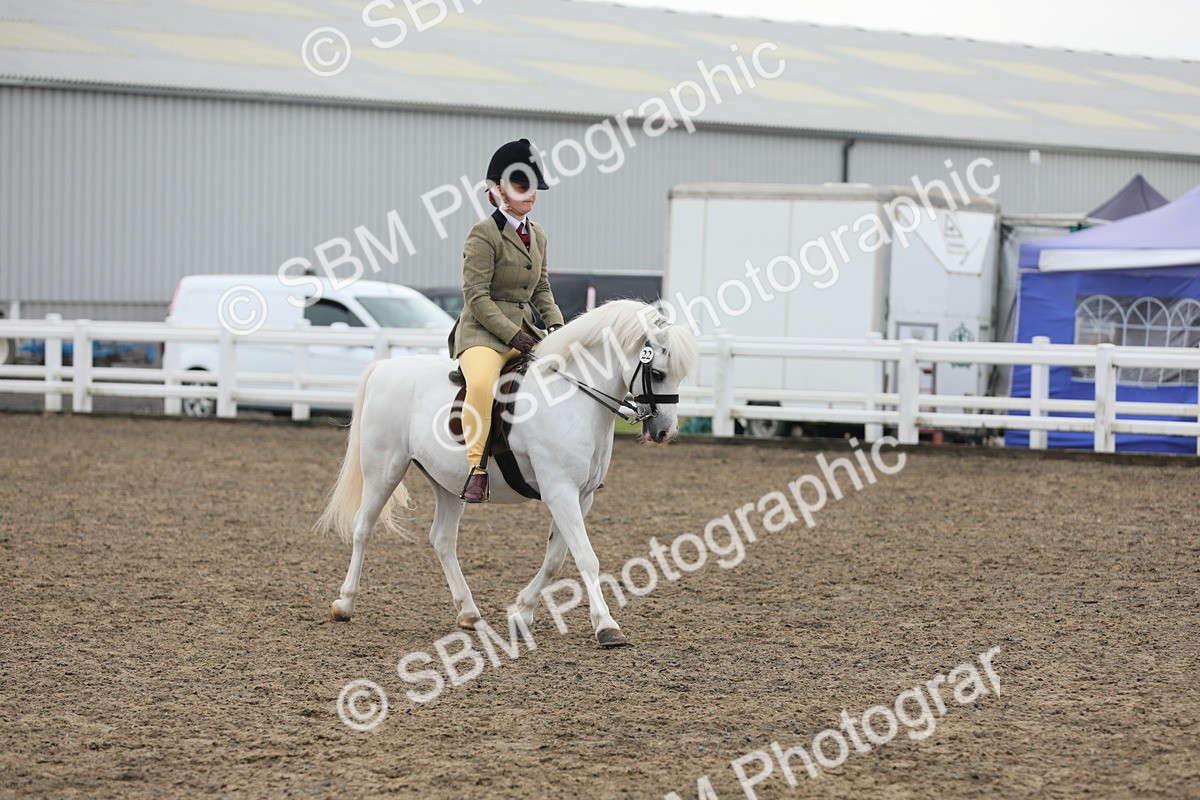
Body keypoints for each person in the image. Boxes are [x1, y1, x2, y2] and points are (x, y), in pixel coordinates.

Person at [447, 139, 565, 503]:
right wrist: (513, 335)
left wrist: (558, 327)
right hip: (482, 333)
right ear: (498, 190)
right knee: (484, 384)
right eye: (520, 185)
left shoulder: (538, 234)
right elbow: (476, 297)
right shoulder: (483, 234)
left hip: (525, 331)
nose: (530, 194)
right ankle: (477, 468)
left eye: (533, 187)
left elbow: (541, 287)